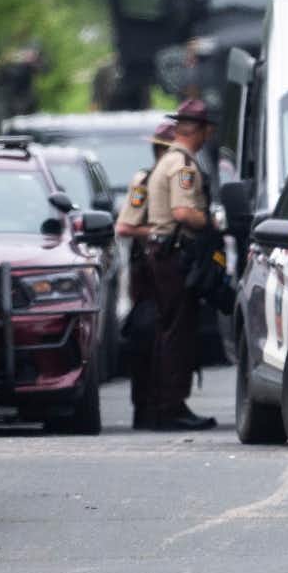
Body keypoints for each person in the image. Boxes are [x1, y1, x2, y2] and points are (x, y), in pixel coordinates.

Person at [120, 98, 219, 431]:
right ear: (202, 130)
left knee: (165, 331)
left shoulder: (168, 162)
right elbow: (182, 213)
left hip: (160, 256)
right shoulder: (181, 164)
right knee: (176, 333)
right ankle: (169, 406)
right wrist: (209, 222)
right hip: (172, 256)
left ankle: (161, 405)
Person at [115, 121, 178, 429]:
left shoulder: (178, 179)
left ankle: (169, 406)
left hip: (171, 272)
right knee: (146, 337)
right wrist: (160, 233)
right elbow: (125, 227)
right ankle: (146, 408)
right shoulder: (145, 180)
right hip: (149, 275)